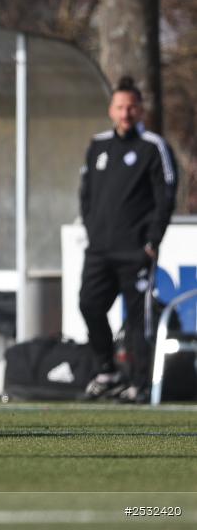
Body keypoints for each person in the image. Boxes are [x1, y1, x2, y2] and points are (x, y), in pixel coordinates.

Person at [79, 76, 177, 404]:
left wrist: (152, 240)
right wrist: (93, 231)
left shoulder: (153, 146)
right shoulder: (98, 145)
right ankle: (106, 371)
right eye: (120, 107)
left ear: (141, 110)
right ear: (111, 110)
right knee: (90, 305)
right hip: (100, 249)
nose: (126, 113)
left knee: (137, 319)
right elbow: (86, 194)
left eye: (132, 107)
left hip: (136, 250)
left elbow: (166, 195)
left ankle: (139, 384)